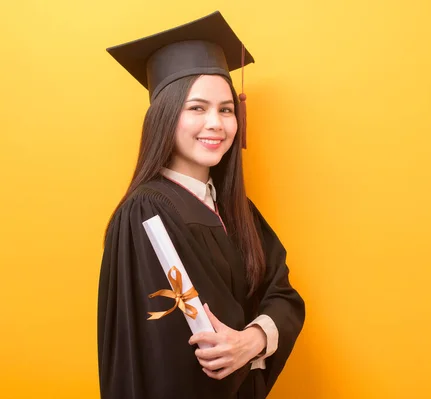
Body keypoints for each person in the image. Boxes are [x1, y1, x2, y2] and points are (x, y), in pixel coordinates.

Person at [97, 11, 305, 399]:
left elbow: (283, 294)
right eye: (197, 108)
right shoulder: (144, 214)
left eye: (226, 109)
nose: (217, 123)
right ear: (164, 115)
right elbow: (159, 354)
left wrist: (255, 339)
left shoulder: (236, 210)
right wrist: (241, 343)